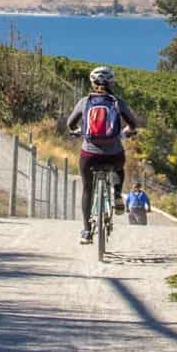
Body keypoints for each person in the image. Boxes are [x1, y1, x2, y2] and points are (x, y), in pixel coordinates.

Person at [65, 66, 139, 244]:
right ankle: (117, 194)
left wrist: (76, 132)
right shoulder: (117, 102)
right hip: (113, 153)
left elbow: (70, 124)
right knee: (119, 168)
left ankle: (86, 231)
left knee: (87, 189)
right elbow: (133, 124)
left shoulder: (85, 102)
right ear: (111, 82)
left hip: (89, 153)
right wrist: (124, 133)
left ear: (92, 82)